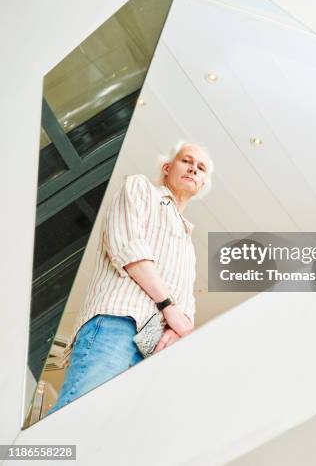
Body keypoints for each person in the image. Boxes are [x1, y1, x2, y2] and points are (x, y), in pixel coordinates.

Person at [48, 141, 213, 414]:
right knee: (79, 417)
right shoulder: (140, 188)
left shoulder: (188, 243)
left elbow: (187, 309)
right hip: (118, 324)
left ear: (203, 185)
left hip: (153, 351)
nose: (194, 169)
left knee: (105, 439)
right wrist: (169, 309)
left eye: (201, 168)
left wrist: (176, 330)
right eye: (187, 161)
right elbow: (128, 247)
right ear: (168, 167)